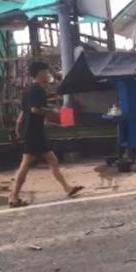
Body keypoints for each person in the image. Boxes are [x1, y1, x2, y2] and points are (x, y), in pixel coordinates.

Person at [9, 62, 84, 208]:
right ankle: (13, 196)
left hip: (33, 132)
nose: (47, 74)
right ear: (39, 73)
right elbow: (36, 109)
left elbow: (23, 113)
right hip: (34, 133)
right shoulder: (38, 90)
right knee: (25, 165)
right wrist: (55, 113)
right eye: (45, 71)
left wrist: (18, 129)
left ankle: (67, 188)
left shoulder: (27, 91)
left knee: (52, 160)